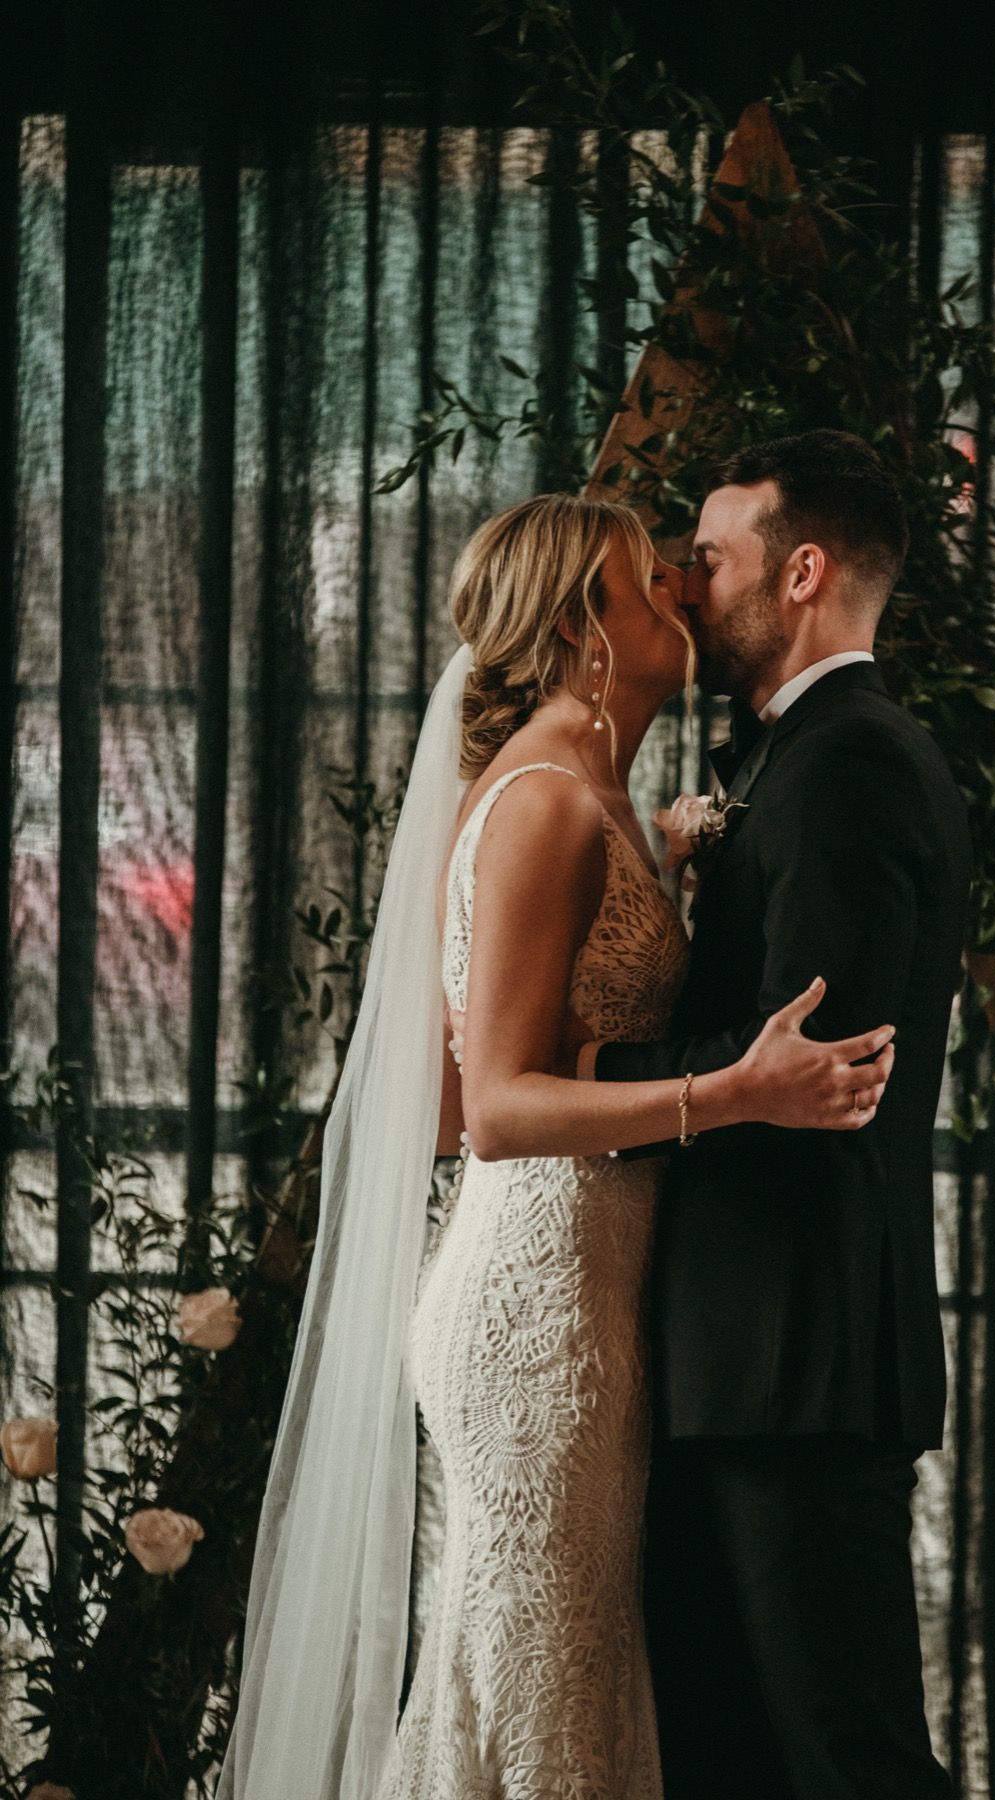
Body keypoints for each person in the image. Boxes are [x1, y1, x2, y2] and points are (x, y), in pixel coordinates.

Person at [217, 491, 896, 1800]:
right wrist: (730, 1093)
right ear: (590, 629)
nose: (683, 596)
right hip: (538, 1329)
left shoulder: (588, 791)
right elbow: (491, 1112)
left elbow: (459, 1086)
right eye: (652, 583)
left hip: (590, 1308)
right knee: (549, 1710)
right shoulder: (542, 801)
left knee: (537, 1695)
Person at [583, 431, 974, 1799]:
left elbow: (812, 1072)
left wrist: (565, 1075)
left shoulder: (847, 766)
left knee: (844, 1762)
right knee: (737, 1760)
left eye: (708, 559)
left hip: (791, 1360)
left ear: (799, 573)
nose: (684, 588)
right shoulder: (799, 759)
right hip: (745, 1357)